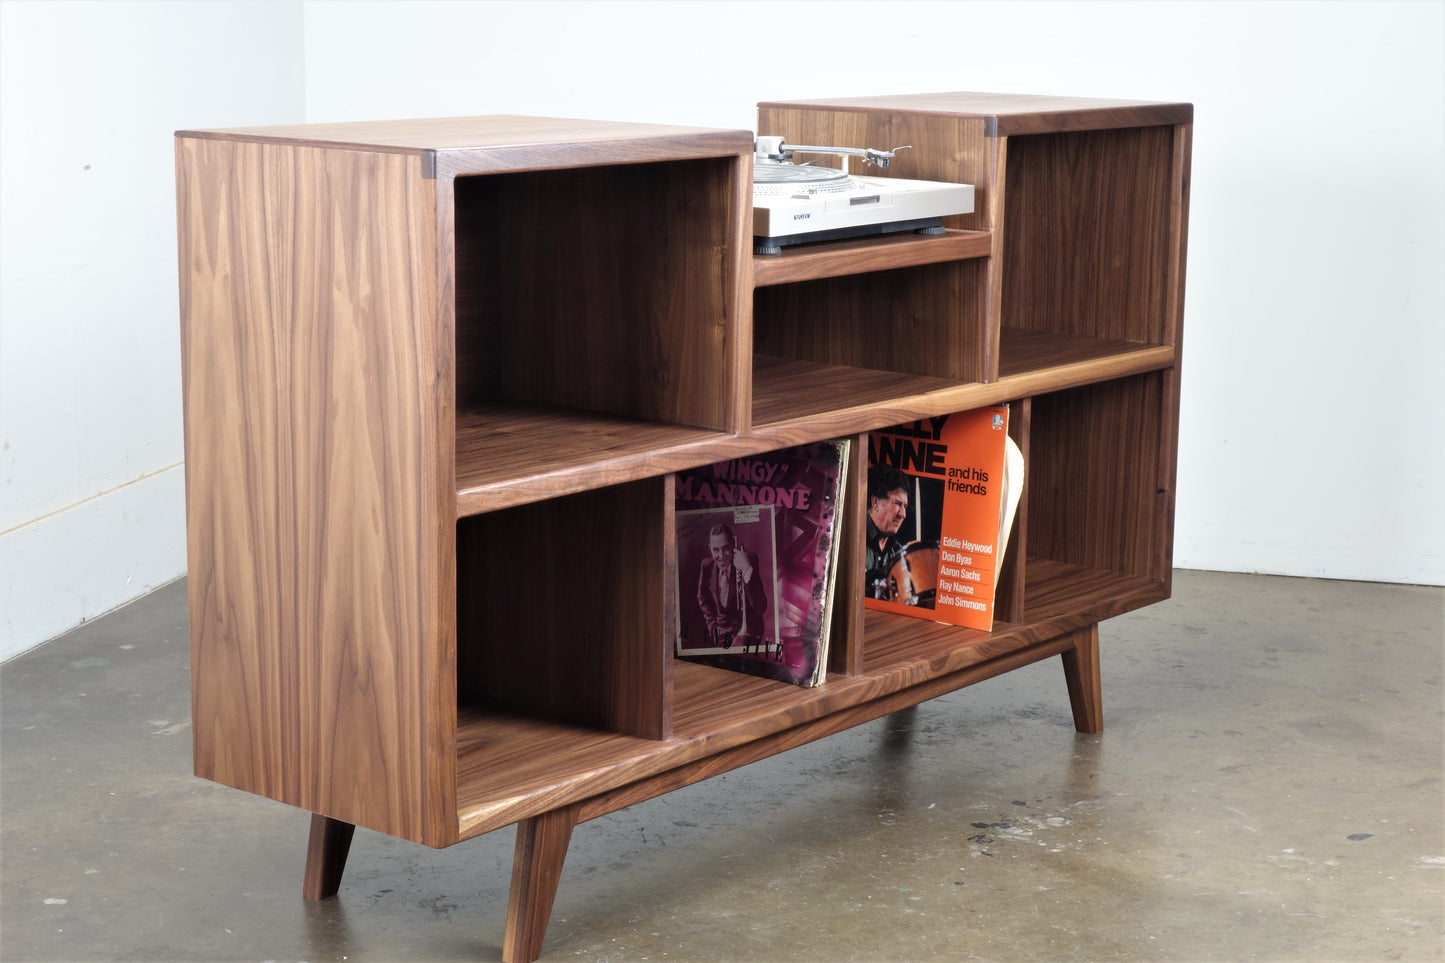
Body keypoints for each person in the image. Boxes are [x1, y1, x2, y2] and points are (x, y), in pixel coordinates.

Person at [696, 522, 768, 650]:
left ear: (733, 545)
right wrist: (712, 627)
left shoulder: (748, 560)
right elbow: (702, 597)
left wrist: (747, 569)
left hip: (747, 635)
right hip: (720, 633)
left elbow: (760, 608)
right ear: (710, 548)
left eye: (726, 548)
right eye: (716, 550)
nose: (721, 556)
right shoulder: (706, 565)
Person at [866, 465, 911, 599]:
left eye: (905, 506)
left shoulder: (898, 552)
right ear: (875, 502)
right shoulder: (850, 537)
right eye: (897, 504)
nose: (903, 514)